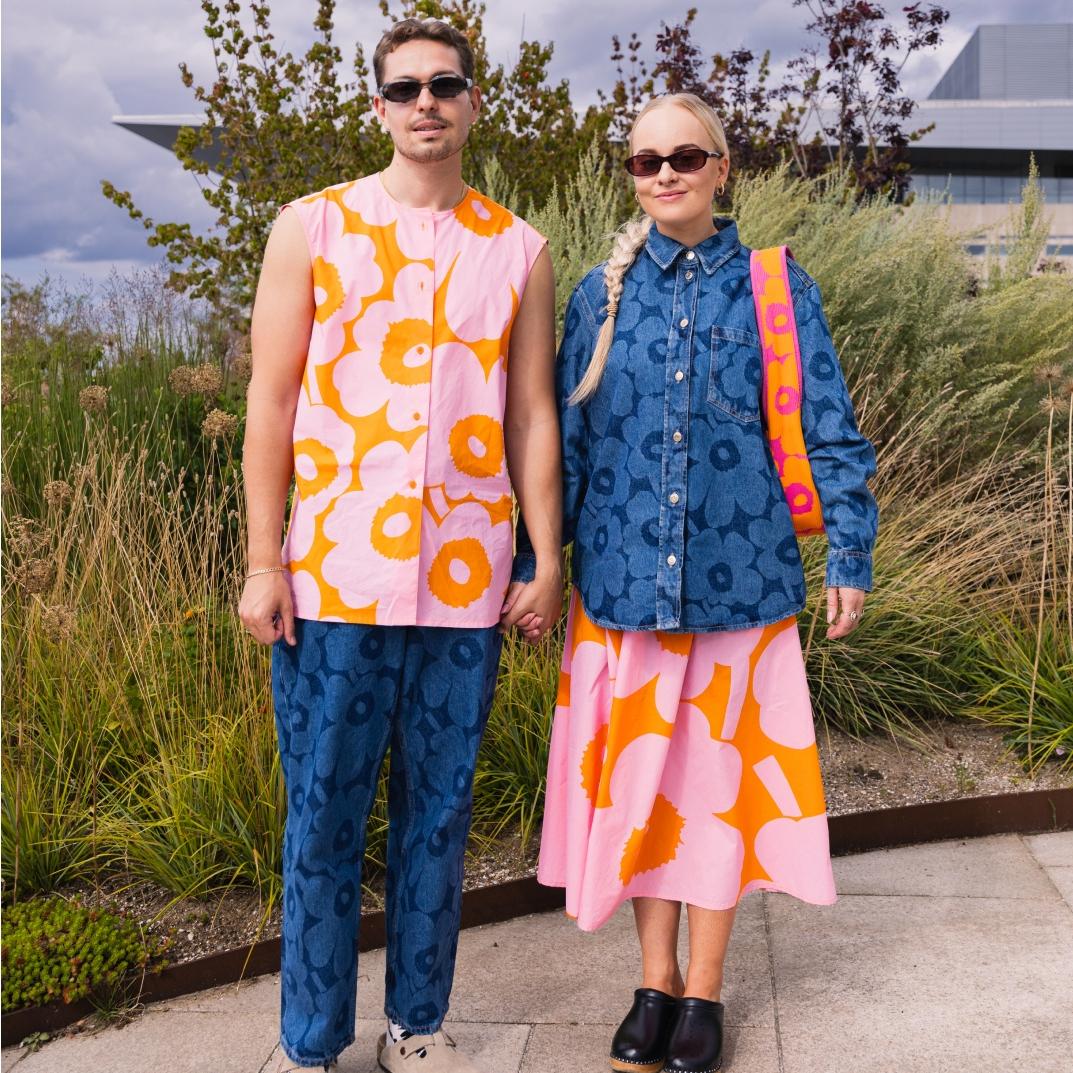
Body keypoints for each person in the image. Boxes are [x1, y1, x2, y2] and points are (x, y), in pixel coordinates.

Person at [527, 93, 879, 1073]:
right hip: (623, 588)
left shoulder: (775, 288)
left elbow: (828, 426)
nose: (665, 175)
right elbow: (567, 448)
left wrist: (849, 552)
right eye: (645, 161)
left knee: (714, 794)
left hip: (740, 587)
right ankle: (653, 980)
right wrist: (539, 563)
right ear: (631, 175)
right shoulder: (597, 297)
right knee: (643, 791)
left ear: (722, 168)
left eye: (684, 156)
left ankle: (705, 989)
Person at [238, 17, 562, 1072]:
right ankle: (309, 1040)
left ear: (473, 102)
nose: (427, 101)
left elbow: (530, 414)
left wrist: (544, 558)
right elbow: (270, 400)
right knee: (322, 816)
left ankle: (416, 1027)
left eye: (445, 84)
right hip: (333, 576)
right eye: (406, 87)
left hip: (465, 580)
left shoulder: (518, 248)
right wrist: (263, 559)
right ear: (378, 106)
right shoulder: (311, 227)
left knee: (438, 818)